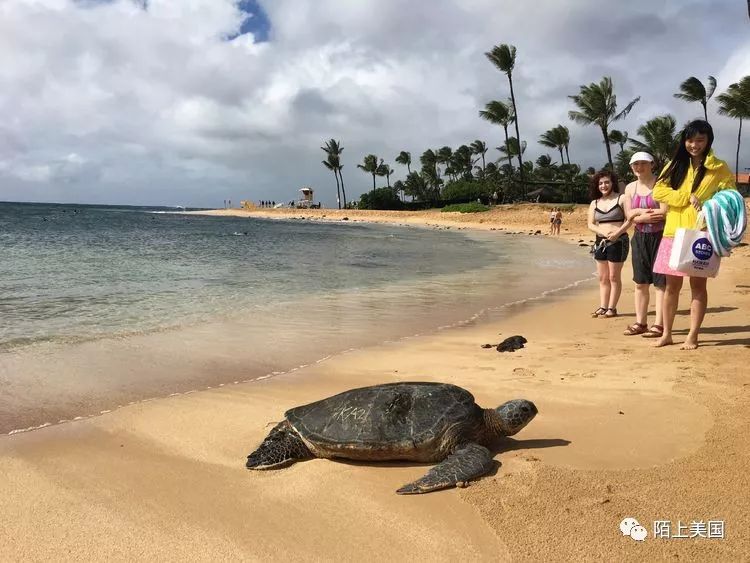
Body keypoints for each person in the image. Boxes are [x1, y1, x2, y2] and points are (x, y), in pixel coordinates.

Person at [652, 120, 736, 349]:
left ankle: (693, 335)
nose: (694, 144)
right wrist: (684, 197)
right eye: (690, 140)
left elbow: (730, 197)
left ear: (708, 140)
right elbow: (658, 190)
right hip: (672, 233)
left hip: (702, 234)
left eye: (700, 139)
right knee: (672, 287)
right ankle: (667, 333)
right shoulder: (674, 164)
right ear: (684, 141)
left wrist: (708, 204)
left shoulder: (719, 168)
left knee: (698, 287)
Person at [621, 152, 667, 337]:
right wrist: (645, 214)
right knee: (640, 282)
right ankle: (641, 322)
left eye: (643, 164)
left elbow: (663, 211)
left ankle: (659, 324)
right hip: (639, 237)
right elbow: (628, 215)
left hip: (661, 236)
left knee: (660, 283)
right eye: (635, 164)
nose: (639, 167)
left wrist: (638, 214)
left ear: (651, 165)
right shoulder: (630, 188)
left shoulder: (661, 184)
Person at [587, 170, 632, 318]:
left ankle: (612, 308)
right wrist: (603, 233)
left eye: (607, 182)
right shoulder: (595, 203)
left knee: (614, 277)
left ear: (613, 183)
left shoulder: (622, 198)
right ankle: (603, 306)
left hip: (618, 241)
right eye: (600, 183)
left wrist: (617, 233)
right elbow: (590, 224)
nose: (603, 185)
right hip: (601, 242)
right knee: (602, 277)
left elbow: (629, 219)